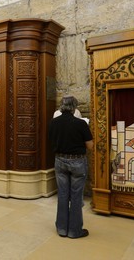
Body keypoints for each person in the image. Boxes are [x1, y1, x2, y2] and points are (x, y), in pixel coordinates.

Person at [49, 96, 93, 239]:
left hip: (60, 160)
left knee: (62, 195)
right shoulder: (80, 124)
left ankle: (61, 228)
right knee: (75, 196)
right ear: (74, 107)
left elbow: (52, 141)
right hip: (77, 162)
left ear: (62, 106)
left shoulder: (53, 122)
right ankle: (74, 231)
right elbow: (90, 146)